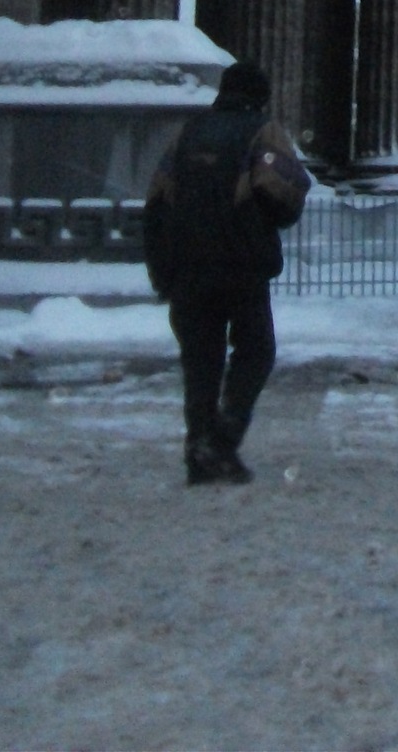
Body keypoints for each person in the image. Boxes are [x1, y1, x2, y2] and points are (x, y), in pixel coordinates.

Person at [141, 60, 309, 486]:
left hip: (187, 267)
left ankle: (200, 450)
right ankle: (221, 439)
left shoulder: (188, 133)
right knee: (255, 352)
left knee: (201, 362)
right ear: (260, 96)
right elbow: (283, 191)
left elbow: (157, 199)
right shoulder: (263, 132)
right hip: (241, 265)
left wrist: (162, 267)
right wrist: (259, 225)